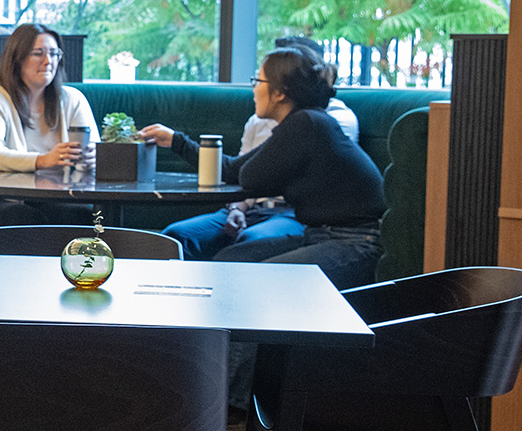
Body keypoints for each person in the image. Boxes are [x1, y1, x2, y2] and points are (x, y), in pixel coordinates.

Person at [138, 45, 386, 290]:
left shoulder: (307, 124)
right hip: (321, 235)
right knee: (227, 263)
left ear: (279, 92)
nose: (254, 89)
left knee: (249, 280)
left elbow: (248, 178)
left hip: (356, 243)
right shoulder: (306, 122)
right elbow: (233, 170)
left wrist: (182, 144)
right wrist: (176, 141)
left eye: (258, 80)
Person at [0, 24, 100, 234]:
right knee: (25, 219)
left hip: (51, 200)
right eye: (38, 54)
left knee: (87, 219)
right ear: (17, 58)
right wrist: (42, 160)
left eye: (54, 53)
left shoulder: (73, 99)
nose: (48, 61)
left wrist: (95, 158)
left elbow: (95, 148)